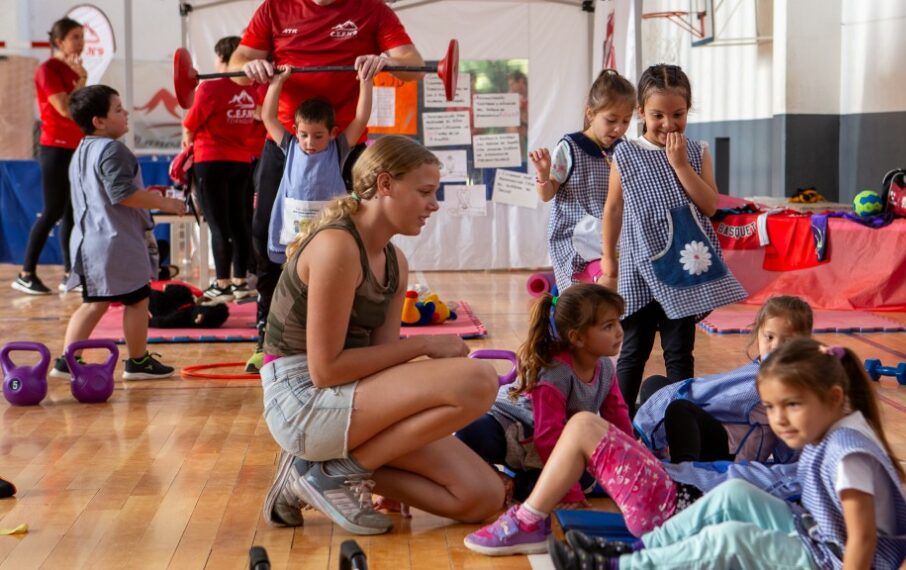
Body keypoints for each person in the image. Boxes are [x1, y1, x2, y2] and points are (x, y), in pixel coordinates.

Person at [548, 338, 906, 570]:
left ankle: (623, 569)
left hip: (828, 561)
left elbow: (864, 538)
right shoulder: (834, 426)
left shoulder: (850, 453)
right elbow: (893, 494)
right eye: (771, 408)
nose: (779, 420)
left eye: (791, 405)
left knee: (730, 540)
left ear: (832, 397)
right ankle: (640, 551)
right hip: (815, 535)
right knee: (734, 493)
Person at [258, 136, 504, 536]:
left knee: (481, 497)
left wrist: (410, 389)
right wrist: (424, 345)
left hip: (343, 399)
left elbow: (382, 359)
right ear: (385, 185)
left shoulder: (395, 260)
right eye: (424, 192)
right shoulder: (337, 245)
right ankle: (334, 473)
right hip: (300, 402)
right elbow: (325, 370)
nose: (434, 204)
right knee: (478, 379)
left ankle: (313, 475)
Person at [231, 0, 426, 371]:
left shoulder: (373, 10)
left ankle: (355, 334)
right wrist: (250, 66)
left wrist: (385, 64)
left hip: (343, 146)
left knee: (359, 237)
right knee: (265, 238)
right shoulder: (275, 9)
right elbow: (237, 69)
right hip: (287, 142)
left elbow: (412, 67)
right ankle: (267, 334)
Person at [599, 64, 746, 415]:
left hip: (682, 267)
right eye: (657, 115)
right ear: (640, 113)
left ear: (688, 111)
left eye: (678, 114)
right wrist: (609, 261)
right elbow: (614, 209)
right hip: (638, 268)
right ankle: (617, 426)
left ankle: (681, 426)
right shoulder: (626, 154)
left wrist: (680, 164)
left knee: (679, 351)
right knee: (633, 350)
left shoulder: (697, 152)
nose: (668, 124)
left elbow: (710, 205)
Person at [454, 284, 631, 508]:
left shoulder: (605, 367)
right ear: (576, 338)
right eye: (608, 326)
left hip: (546, 445)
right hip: (511, 427)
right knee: (469, 433)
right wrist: (569, 493)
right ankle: (493, 475)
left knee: (586, 477)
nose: (619, 332)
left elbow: (618, 416)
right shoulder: (555, 373)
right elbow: (548, 434)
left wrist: (634, 461)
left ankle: (516, 485)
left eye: (618, 322)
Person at [54, 86, 186, 381]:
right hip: (114, 241)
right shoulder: (113, 149)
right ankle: (137, 361)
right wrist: (167, 203)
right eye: (118, 109)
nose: (126, 113)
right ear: (99, 121)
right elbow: (123, 194)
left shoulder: (81, 150)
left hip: (89, 242)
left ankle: (67, 360)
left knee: (94, 301)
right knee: (138, 299)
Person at [635, 296, 813, 464]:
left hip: (729, 454)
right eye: (770, 337)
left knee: (680, 408)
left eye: (788, 340)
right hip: (712, 427)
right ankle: (668, 446)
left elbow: (791, 439)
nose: (776, 346)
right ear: (758, 334)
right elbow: (718, 392)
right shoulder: (755, 369)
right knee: (655, 384)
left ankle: (684, 467)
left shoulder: (787, 385)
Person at [530, 70, 635, 291]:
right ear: (590, 113)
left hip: (609, 237)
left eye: (626, 121)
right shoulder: (570, 147)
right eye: (611, 120)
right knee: (606, 285)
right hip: (577, 240)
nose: (619, 128)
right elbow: (547, 194)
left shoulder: (622, 149)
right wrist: (543, 174)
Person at [261, 65, 372, 265]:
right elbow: (268, 117)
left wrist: (366, 82)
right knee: (295, 269)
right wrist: (277, 83)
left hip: (328, 223)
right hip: (294, 226)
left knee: (327, 264)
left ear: (332, 133)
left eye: (318, 136)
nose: (310, 142)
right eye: (303, 135)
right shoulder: (290, 145)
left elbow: (361, 118)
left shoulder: (338, 148)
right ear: (295, 131)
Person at [181, 36, 259, 304]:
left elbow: (190, 126)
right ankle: (240, 282)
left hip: (211, 162)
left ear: (224, 58)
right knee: (240, 223)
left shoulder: (210, 88)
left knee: (218, 226)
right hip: (241, 163)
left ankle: (222, 284)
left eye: (216, 58)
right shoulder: (254, 90)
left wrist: (185, 147)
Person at [13, 18, 87, 295]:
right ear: (59, 41)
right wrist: (81, 82)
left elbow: (79, 110)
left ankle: (70, 273)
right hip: (54, 147)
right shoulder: (49, 69)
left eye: (82, 37)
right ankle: (26, 272)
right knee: (53, 209)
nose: (80, 42)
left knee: (71, 210)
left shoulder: (73, 70)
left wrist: (81, 79)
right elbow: (65, 109)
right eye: (75, 37)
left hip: (73, 146)